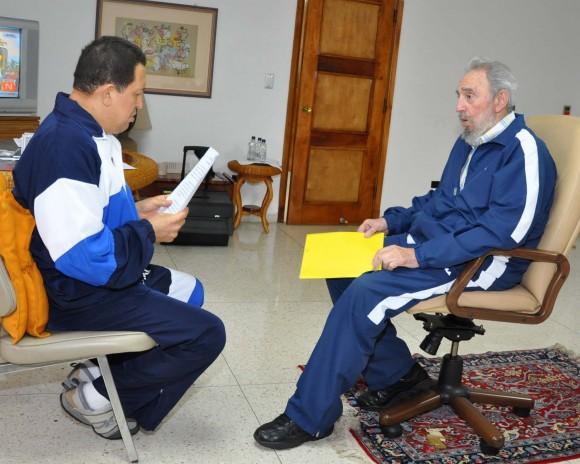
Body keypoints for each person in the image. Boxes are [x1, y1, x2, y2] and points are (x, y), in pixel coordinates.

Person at [254, 57, 557, 449]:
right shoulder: (471, 141)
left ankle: (309, 416)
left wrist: (418, 256)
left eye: (469, 96)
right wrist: (391, 222)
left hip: (484, 262)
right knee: (341, 263)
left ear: (499, 100)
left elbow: (502, 232)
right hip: (447, 246)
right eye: (458, 95)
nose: (459, 106)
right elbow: (440, 200)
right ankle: (399, 377)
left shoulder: (525, 152)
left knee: (366, 294)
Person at [12, 36, 226, 439]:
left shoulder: (86, 133)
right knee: (207, 333)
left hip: (84, 280)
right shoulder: (66, 146)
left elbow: (87, 218)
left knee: (189, 289)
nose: (140, 105)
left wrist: (138, 213)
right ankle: (97, 398)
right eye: (138, 94)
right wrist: (148, 231)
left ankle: (100, 370)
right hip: (74, 293)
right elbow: (84, 257)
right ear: (109, 93)